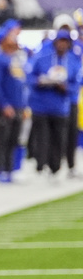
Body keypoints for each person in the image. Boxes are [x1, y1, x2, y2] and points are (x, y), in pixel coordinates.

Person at [26, 28, 82, 177]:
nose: (62, 45)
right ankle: (40, 165)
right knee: (42, 137)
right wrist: (41, 81)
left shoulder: (73, 60)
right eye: (60, 41)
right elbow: (30, 77)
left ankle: (55, 167)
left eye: (65, 42)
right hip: (41, 104)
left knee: (59, 138)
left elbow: (77, 85)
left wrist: (66, 87)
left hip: (61, 106)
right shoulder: (43, 56)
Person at [0, 20, 28, 183]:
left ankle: (10, 169)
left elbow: (21, 83)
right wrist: (4, 104)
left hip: (18, 105)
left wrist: (24, 105)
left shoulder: (15, 58)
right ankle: (0, 170)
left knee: (14, 138)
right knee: (3, 139)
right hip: (6, 106)